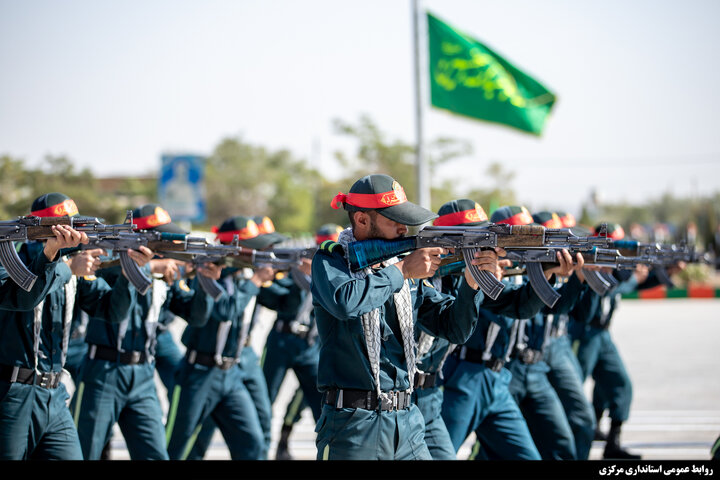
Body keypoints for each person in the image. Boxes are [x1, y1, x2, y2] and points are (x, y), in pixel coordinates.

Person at [311, 174, 501, 460]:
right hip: (353, 426)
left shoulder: (402, 271)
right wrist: (401, 271)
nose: (404, 229)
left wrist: (471, 283)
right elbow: (345, 302)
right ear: (362, 220)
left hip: (407, 421)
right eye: (394, 220)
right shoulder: (332, 260)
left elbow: (453, 329)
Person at [71, 203, 218, 460]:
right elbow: (105, 272)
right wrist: (145, 268)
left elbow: (195, 316)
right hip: (104, 371)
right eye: (158, 237)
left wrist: (206, 281)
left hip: (143, 375)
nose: (164, 245)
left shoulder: (163, 269)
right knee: (83, 452)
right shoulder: (107, 258)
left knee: (154, 454)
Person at [0, 192, 139, 459]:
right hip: (11, 394)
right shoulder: (11, 258)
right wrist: (58, 260)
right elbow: (25, 298)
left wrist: (127, 273)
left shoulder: (71, 262)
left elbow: (111, 310)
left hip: (54, 394)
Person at [166, 215, 275, 460]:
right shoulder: (207, 271)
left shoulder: (239, 277)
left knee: (252, 444)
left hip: (231, 373)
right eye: (251, 246)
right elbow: (225, 311)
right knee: (179, 446)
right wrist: (256, 280)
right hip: (199, 372)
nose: (256, 252)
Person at [569, 222, 662, 459]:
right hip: (583, 335)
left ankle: (612, 443)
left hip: (603, 336)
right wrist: (631, 279)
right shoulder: (590, 266)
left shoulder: (615, 269)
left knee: (620, 384)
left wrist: (663, 273)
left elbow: (629, 285)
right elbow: (611, 289)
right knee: (572, 394)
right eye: (616, 245)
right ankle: (575, 443)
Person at [260, 223, 343, 460]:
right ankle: (264, 448)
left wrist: (315, 274)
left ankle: (325, 449)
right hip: (282, 338)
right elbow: (273, 297)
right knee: (265, 397)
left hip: (310, 344)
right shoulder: (295, 267)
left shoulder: (336, 272)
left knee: (320, 399)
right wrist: (289, 273)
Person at [532, 210, 597, 460]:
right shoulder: (526, 267)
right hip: (526, 355)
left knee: (580, 419)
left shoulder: (562, 267)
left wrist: (584, 278)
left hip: (557, 345)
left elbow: (580, 315)